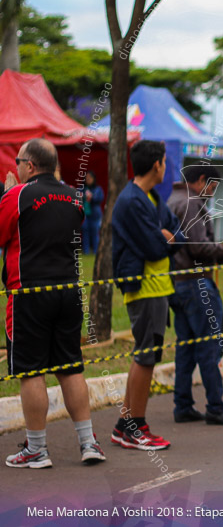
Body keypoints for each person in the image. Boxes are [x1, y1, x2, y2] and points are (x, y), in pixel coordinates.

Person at [1, 139, 106, 468]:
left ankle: (37, 449)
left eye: (19, 161)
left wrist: (7, 193)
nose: (16, 166)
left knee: (30, 372)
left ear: (29, 165)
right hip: (68, 290)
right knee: (70, 367)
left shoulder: (17, 195)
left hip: (29, 292)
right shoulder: (75, 197)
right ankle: (88, 442)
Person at [111, 140, 180, 451]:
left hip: (159, 286)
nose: (166, 167)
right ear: (157, 165)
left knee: (147, 355)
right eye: (165, 162)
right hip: (144, 289)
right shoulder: (131, 201)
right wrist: (163, 237)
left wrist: (164, 236)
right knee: (146, 357)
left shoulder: (150, 197)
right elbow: (155, 245)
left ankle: (124, 424)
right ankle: (135, 427)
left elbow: (173, 228)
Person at [167, 165, 223, 426]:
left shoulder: (173, 200)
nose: (212, 193)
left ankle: (183, 405)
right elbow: (198, 246)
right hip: (196, 283)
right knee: (209, 346)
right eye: (212, 187)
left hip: (177, 283)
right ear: (201, 180)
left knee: (186, 347)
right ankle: (216, 406)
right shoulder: (191, 203)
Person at [79, 171, 104, 254]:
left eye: (90, 178)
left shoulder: (98, 189)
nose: (88, 179)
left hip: (95, 215)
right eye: (87, 178)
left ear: (94, 179)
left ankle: (96, 251)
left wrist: (92, 197)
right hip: (85, 214)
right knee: (85, 232)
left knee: (95, 232)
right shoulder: (82, 189)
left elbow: (100, 199)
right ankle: (86, 251)